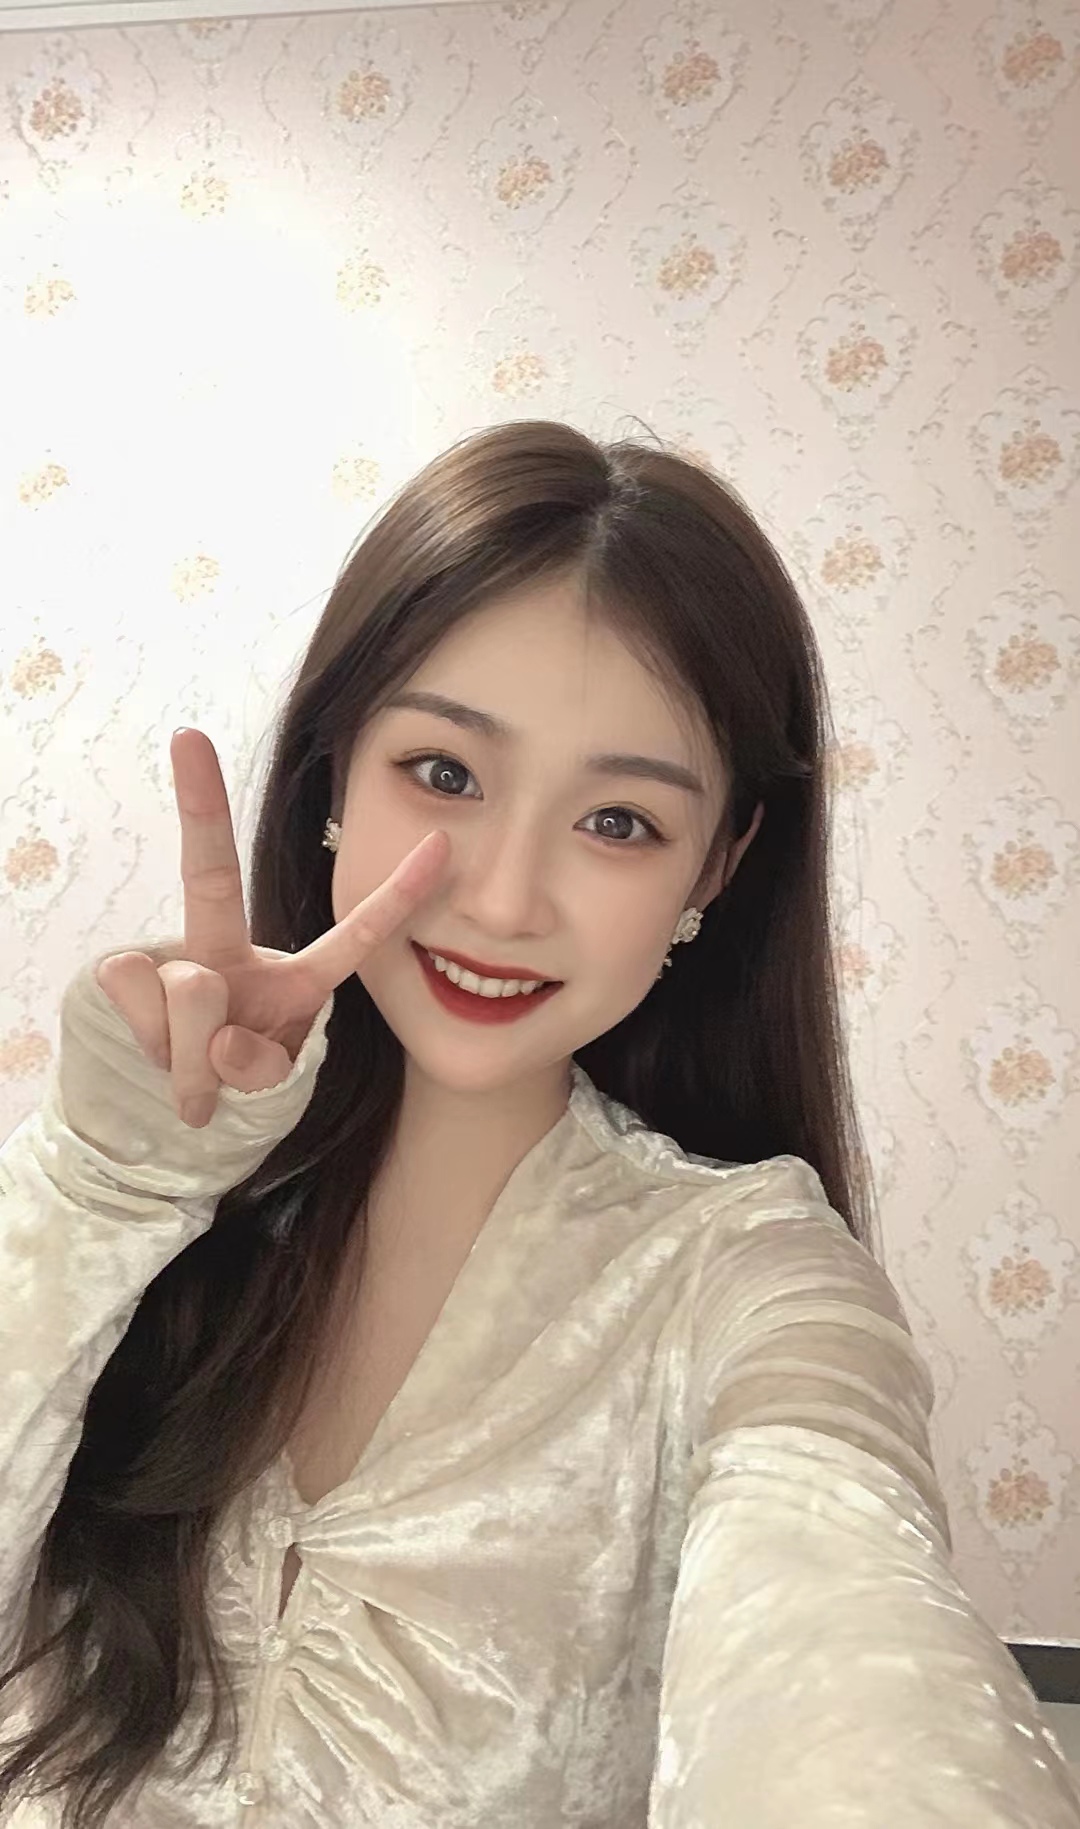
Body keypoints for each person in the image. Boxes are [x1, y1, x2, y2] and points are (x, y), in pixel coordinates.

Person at [0, 420, 1076, 1829]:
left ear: (718, 864)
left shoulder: (744, 1274)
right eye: (445, 773)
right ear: (333, 770)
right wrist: (104, 1186)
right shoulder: (177, 1181)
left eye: (619, 821)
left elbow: (848, 1623)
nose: (503, 899)